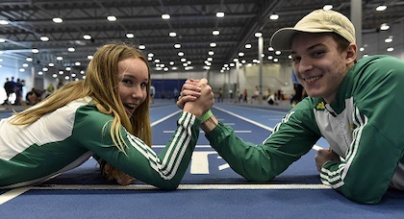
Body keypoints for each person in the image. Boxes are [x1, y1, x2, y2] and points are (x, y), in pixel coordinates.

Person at [178, 9, 404, 204]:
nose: (304, 67)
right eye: (296, 58)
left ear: (350, 54)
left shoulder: (384, 76)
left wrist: (327, 167)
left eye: (318, 53)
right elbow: (261, 165)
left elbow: (362, 186)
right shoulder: (315, 107)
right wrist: (204, 115)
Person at [0, 43, 214, 189]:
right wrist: (192, 114)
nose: (139, 94)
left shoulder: (79, 97)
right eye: (127, 81)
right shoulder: (90, 117)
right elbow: (166, 174)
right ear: (103, 81)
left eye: (144, 84)